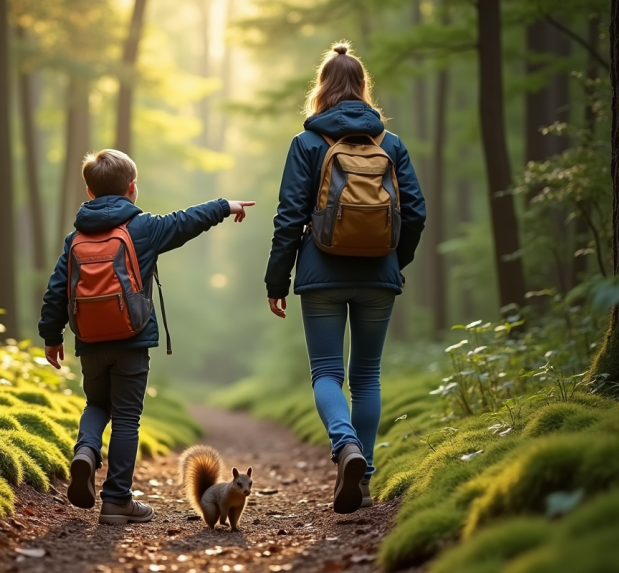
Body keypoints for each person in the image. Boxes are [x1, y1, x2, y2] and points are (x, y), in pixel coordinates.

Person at [39, 149, 255, 524]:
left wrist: (51, 335)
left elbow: (58, 289)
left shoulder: (76, 237)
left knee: (96, 405)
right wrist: (226, 205)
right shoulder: (144, 228)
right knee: (126, 418)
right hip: (132, 340)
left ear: (89, 192)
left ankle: (85, 453)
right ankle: (116, 501)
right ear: (132, 188)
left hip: (90, 341)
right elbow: (186, 221)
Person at [264, 42, 426, 514]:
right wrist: (397, 261)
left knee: (327, 373)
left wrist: (277, 281)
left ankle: (345, 447)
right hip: (380, 273)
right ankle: (365, 476)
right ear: (362, 88)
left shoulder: (307, 143)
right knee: (368, 375)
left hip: (321, 275)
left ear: (321, 90)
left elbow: (289, 216)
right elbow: (414, 212)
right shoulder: (389, 145)